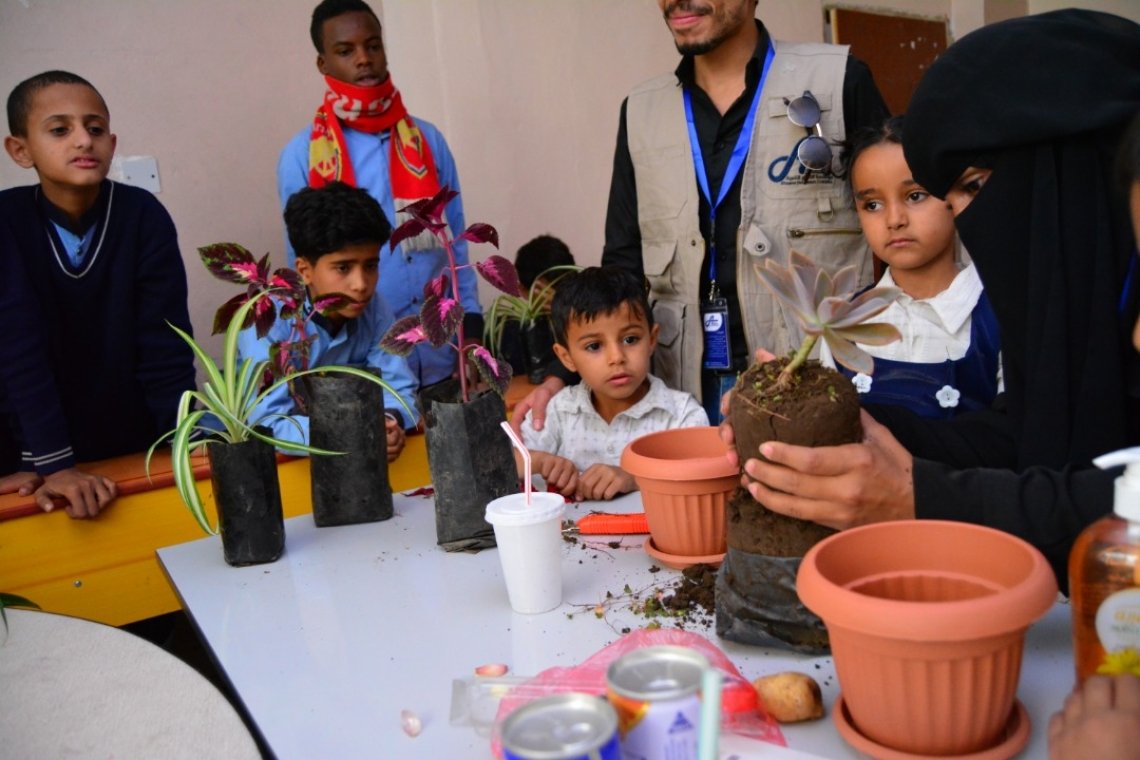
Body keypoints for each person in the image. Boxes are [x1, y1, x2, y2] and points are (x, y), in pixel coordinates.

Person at [721, 9, 1140, 591]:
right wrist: (847, 428)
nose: (965, 215)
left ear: (1065, 171)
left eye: (973, 185)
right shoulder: (1089, 303)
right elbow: (1021, 437)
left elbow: (1113, 500)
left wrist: (921, 497)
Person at [515, 0, 889, 431]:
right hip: (680, 392)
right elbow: (623, 265)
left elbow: (903, 226)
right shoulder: (641, 110)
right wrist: (564, 376)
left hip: (813, 380)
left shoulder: (838, 80)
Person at [0, 70, 196, 518]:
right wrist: (53, 464)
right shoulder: (6, 222)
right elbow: (16, 349)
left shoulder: (143, 215)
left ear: (111, 141)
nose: (83, 141)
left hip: (128, 437)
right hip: (30, 447)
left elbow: (165, 344)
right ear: (20, 150)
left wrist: (184, 440)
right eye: (59, 129)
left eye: (95, 128)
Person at [277, 0, 481, 389]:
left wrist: (470, 329)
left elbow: (455, 244)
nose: (364, 59)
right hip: (365, 371)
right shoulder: (302, 156)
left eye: (373, 45)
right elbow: (303, 270)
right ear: (323, 64)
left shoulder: (428, 141)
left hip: (442, 356)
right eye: (345, 50)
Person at [822, 115, 1001, 418]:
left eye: (915, 196)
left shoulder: (999, 313)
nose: (894, 220)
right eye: (872, 205)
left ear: (955, 195)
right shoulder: (843, 322)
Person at [237, 182, 419, 461]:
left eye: (370, 265)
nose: (360, 284)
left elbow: (399, 389)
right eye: (343, 267)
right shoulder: (266, 321)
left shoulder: (374, 309)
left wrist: (388, 423)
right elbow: (268, 424)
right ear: (305, 271)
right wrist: (357, 433)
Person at [519, 267, 708, 501]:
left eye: (630, 339)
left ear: (652, 339)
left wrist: (634, 477)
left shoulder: (682, 415)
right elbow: (504, 463)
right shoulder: (558, 411)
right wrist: (539, 461)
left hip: (658, 538)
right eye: (594, 346)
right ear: (566, 357)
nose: (616, 357)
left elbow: (702, 477)